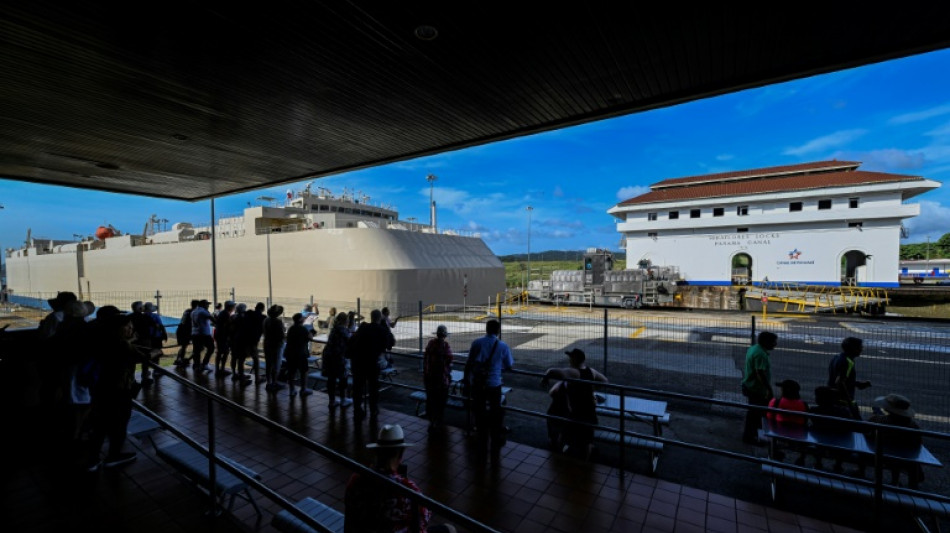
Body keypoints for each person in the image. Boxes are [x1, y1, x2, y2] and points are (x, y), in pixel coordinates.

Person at [344, 424, 456, 533]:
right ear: (400, 454)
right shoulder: (407, 490)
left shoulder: (356, 479)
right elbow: (423, 518)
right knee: (449, 528)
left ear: (377, 452)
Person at [84, 305, 139, 471]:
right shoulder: (121, 346)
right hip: (118, 391)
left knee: (100, 424)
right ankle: (113, 456)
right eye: (127, 326)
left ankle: (92, 460)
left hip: (101, 389)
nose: (131, 329)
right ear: (118, 329)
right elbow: (140, 357)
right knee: (119, 424)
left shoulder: (102, 339)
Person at [540, 348, 608, 459]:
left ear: (575, 359)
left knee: (565, 434)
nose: (569, 360)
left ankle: (561, 457)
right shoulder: (591, 371)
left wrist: (545, 378)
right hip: (589, 411)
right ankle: (585, 464)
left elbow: (553, 371)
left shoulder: (574, 372)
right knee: (587, 440)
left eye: (571, 357)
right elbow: (605, 380)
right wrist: (592, 389)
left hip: (577, 411)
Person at [464, 319, 514, 457]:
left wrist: (467, 380)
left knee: (478, 408)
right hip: (494, 383)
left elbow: (469, 363)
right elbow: (509, 365)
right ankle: (495, 435)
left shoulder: (476, 343)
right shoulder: (503, 346)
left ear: (486, 329)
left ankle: (480, 434)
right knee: (496, 410)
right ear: (498, 330)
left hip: (478, 383)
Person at [868, 393, 924, 488]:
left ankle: (894, 481)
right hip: (906, 458)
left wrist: (875, 415)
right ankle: (912, 488)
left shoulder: (880, 420)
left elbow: (868, 427)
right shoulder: (913, 426)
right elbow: (918, 443)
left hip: (884, 456)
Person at [347, 309, 393, 420]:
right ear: (380, 318)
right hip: (371, 363)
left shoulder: (363, 327)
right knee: (373, 387)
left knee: (358, 387)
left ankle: (357, 409)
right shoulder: (381, 330)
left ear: (371, 317)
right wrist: (385, 326)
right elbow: (390, 344)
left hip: (357, 362)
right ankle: (373, 410)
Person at [741, 331, 778, 445]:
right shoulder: (761, 354)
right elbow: (760, 373)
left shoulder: (754, 348)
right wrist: (768, 389)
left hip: (750, 385)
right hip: (756, 389)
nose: (775, 344)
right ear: (766, 342)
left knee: (754, 413)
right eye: (773, 342)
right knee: (757, 414)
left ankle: (752, 435)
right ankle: (752, 436)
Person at [828, 336, 871, 420]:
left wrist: (857, 384)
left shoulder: (837, 357)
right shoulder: (848, 362)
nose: (862, 349)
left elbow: (841, 378)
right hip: (843, 401)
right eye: (860, 347)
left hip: (833, 397)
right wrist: (850, 402)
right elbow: (840, 382)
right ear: (854, 348)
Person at [423, 325, 453, 431]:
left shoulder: (431, 343)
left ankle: (432, 420)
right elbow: (450, 359)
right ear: (444, 335)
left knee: (431, 398)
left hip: (430, 376)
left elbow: (426, 356)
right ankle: (438, 420)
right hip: (441, 378)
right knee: (441, 400)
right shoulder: (445, 346)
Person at [322, 312, 352, 409]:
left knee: (331, 379)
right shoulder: (343, 330)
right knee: (343, 378)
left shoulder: (334, 329)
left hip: (329, 356)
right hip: (338, 357)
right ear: (345, 320)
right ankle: (343, 400)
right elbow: (350, 341)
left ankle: (332, 401)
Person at [284, 312, 314, 397]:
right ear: (300, 320)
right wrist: (311, 333)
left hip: (290, 353)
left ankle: (292, 389)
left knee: (291, 372)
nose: (304, 319)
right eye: (303, 318)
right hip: (300, 353)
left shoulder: (291, 328)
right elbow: (310, 338)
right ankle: (303, 389)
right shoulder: (303, 329)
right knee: (304, 371)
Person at [141, 302, 167, 386]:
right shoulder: (155, 316)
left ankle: (145, 372)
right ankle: (156, 370)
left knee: (146, 354)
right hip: (156, 337)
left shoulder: (142, 316)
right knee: (156, 353)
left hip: (147, 338)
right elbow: (160, 326)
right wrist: (164, 334)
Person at [262, 304, 286, 392]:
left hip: (267, 343)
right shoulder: (277, 322)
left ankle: (268, 382)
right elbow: (281, 334)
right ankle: (275, 382)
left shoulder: (266, 320)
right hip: (276, 345)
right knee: (276, 364)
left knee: (268, 364)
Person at [189, 299, 215, 372]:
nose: (208, 306)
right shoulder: (203, 312)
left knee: (196, 350)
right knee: (211, 348)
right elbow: (213, 320)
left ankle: (196, 365)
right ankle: (204, 364)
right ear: (204, 305)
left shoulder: (194, 311)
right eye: (207, 304)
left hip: (195, 333)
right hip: (204, 334)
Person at [213, 301, 236, 376]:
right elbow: (229, 326)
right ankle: (220, 370)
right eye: (233, 306)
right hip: (222, 336)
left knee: (220, 352)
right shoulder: (226, 314)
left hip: (219, 334)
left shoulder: (223, 313)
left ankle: (219, 370)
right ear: (230, 307)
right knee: (224, 352)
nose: (234, 308)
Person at [244, 302, 266, 384]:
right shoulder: (263, 317)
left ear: (255, 307)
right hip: (254, 341)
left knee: (241, 358)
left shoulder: (249, 313)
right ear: (263, 309)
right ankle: (257, 378)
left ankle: (240, 376)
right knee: (256, 359)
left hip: (244, 339)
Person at [174, 300, 198, 367]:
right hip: (186, 331)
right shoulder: (193, 312)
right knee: (188, 347)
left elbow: (183, 322)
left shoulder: (187, 311)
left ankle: (179, 359)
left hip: (182, 330)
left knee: (184, 347)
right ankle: (182, 360)